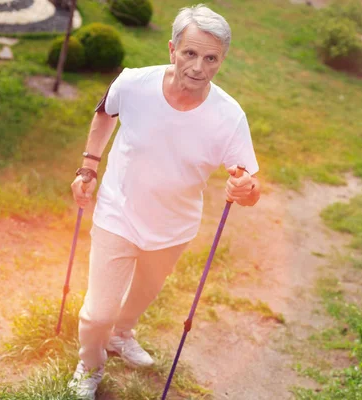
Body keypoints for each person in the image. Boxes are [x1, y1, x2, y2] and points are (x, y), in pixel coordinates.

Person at [67, 4, 261, 398]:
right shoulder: (134, 83)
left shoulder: (229, 116)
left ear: (221, 61)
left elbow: (249, 183)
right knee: (96, 312)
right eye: (190, 53)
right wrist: (89, 166)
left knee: (140, 297)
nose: (198, 66)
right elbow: (105, 112)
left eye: (211, 58)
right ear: (172, 48)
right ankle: (90, 365)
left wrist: (246, 189)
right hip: (117, 212)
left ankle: (122, 335)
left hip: (174, 227)